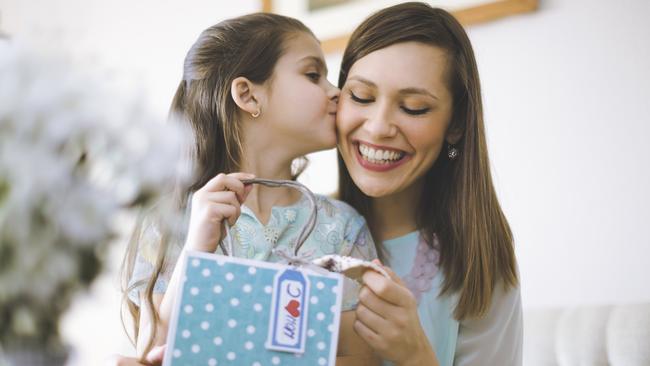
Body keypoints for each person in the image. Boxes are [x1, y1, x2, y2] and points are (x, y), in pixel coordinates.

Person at [120, 12, 379, 365]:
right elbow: (152, 353)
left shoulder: (342, 228)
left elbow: (359, 358)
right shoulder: (170, 223)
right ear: (248, 95)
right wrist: (197, 250)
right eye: (313, 75)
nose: (336, 93)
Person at [335, 3, 523, 365]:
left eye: (414, 107)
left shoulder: (479, 258)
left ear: (455, 125)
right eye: (361, 97)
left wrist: (415, 355)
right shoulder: (292, 227)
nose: (377, 127)